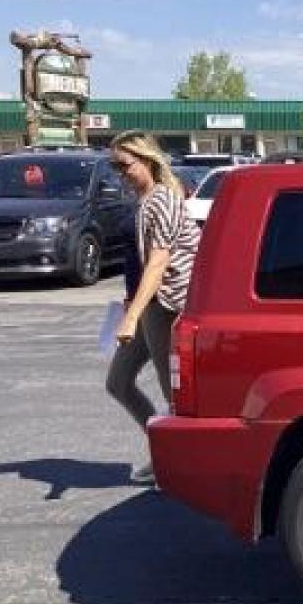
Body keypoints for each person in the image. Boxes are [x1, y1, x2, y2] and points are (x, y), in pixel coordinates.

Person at [104, 132, 199, 485]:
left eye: (124, 164)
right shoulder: (145, 199)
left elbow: (158, 263)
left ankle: (184, 469)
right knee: (119, 382)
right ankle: (166, 455)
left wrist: (130, 318)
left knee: (172, 395)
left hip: (168, 306)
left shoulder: (162, 200)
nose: (120, 172)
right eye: (115, 166)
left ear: (146, 160)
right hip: (147, 305)